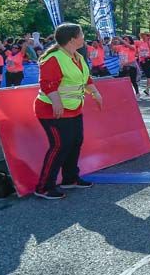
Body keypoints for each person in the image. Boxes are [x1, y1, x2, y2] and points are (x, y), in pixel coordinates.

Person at [33, 23, 103, 199]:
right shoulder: (54, 58)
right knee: (59, 146)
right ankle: (43, 187)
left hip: (73, 109)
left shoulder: (77, 56)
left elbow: (85, 78)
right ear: (72, 39)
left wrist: (95, 92)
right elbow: (48, 83)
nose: (83, 38)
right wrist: (56, 102)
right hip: (52, 111)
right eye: (81, 34)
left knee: (75, 142)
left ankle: (70, 178)